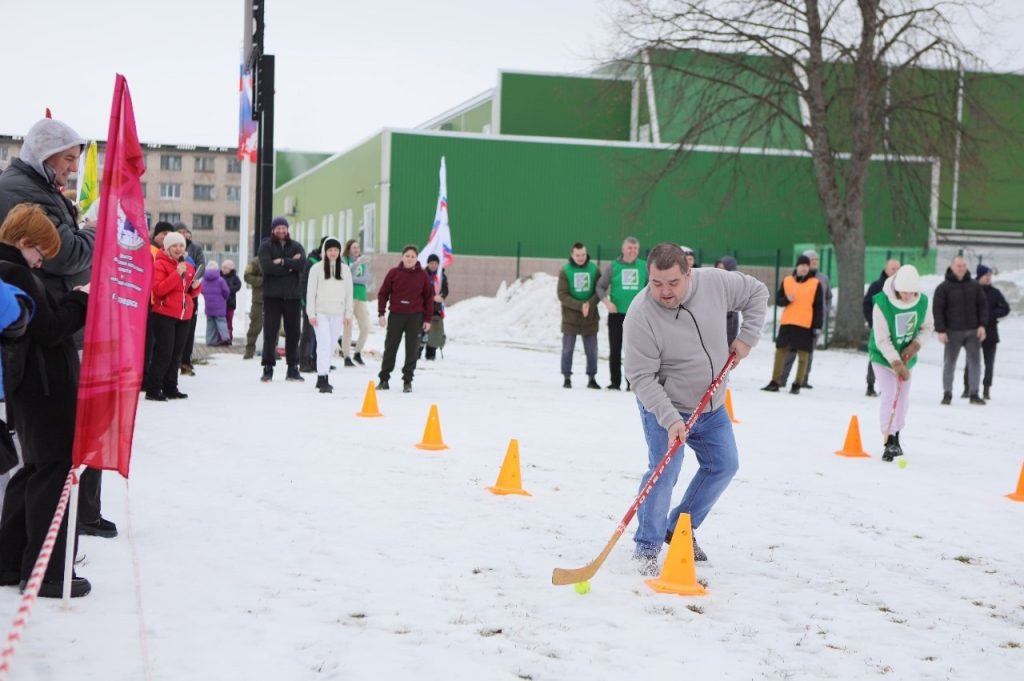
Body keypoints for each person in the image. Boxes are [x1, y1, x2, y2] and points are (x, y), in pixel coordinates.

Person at [0, 119, 114, 540]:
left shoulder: (39, 190)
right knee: (48, 459)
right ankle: (42, 559)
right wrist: (94, 234)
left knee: (44, 457)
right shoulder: (21, 195)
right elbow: (68, 256)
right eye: (68, 159)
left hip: (47, 339)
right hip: (41, 350)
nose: (72, 169)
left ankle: (22, 554)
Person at [624, 242, 768, 573]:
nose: (664, 291)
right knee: (665, 471)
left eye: (673, 282)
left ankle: (680, 527)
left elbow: (757, 293)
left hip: (711, 404)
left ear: (688, 273)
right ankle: (647, 547)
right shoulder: (640, 315)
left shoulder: (714, 283)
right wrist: (671, 419)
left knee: (724, 465)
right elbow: (641, 377)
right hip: (666, 405)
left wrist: (746, 338)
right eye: (656, 283)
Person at [0, 203, 92, 597]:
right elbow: (50, 330)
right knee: (53, 471)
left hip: (29, 387)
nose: (41, 262)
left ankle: (9, 561)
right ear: (24, 241)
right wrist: (80, 300)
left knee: (34, 469)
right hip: (45, 389)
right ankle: (47, 573)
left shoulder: (9, 271)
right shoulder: (16, 274)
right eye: (41, 253)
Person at [868, 265, 933, 462]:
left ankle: (897, 434)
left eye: (911, 292)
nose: (907, 296)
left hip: (907, 357)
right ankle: (888, 438)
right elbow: (882, 339)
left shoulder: (922, 302)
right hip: (883, 357)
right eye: (904, 292)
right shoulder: (882, 304)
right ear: (897, 288)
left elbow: (927, 328)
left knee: (903, 399)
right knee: (889, 395)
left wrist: (914, 346)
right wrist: (896, 363)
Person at [144, 232, 201, 401]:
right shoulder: (159, 264)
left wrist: (196, 287)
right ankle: (153, 389)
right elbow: (159, 290)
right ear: (167, 248)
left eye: (181, 245)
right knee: (164, 353)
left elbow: (189, 293)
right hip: (164, 315)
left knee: (176, 354)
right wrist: (176, 274)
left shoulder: (188, 266)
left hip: (184, 316)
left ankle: (171, 387)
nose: (178, 248)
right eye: (174, 245)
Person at [762, 254, 823, 394]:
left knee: (803, 357)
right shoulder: (787, 281)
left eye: (806, 266)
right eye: (802, 265)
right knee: (780, 352)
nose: (804, 268)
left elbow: (819, 307)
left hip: (805, 325)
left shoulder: (815, 283)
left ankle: (797, 384)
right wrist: (787, 299)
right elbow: (779, 300)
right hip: (788, 323)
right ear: (797, 266)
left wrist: (817, 326)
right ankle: (775, 382)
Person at [376, 245, 433, 393]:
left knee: (412, 349)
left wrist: (427, 319)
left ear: (417, 258)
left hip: (415, 317)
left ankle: (407, 380)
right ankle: (384, 379)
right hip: (396, 315)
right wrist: (381, 313)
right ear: (402, 257)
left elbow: (429, 298)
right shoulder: (394, 273)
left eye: (413, 256)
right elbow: (383, 294)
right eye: (407, 256)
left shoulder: (423, 276)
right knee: (390, 347)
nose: (409, 259)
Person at [933, 255, 987, 405]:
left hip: (973, 331)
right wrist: (941, 330)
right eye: (958, 265)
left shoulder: (975, 286)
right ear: (952, 267)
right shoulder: (943, 287)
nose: (961, 268)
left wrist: (982, 325)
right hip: (952, 331)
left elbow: (983, 306)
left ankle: (974, 393)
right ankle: (947, 393)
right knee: (949, 362)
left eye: (963, 265)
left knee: (975, 362)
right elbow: (938, 310)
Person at [257, 217, 306, 383]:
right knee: (270, 333)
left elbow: (302, 264)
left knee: (294, 333)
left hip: (293, 296)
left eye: (283, 228)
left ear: (287, 229)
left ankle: (293, 368)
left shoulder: (296, 246)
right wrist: (290, 267)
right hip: (272, 296)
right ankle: (268, 368)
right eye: (277, 228)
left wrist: (283, 261)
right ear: (273, 230)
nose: (281, 231)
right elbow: (267, 268)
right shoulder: (265, 246)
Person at [597, 236, 646, 390]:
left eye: (635, 248)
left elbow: (650, 288)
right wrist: (607, 303)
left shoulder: (644, 266)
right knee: (615, 349)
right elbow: (600, 287)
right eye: (630, 248)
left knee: (633, 351)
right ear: (623, 249)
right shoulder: (613, 266)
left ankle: (632, 383)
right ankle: (615, 382)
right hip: (617, 315)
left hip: (636, 316)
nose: (633, 251)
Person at [306, 237, 353, 393]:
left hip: (338, 313)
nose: (333, 253)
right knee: (324, 345)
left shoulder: (345, 269)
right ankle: (322, 378)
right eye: (330, 250)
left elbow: (349, 293)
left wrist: (348, 313)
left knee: (331, 346)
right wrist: (311, 313)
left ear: (339, 251)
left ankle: (323, 376)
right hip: (321, 313)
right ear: (325, 251)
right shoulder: (316, 269)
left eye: (336, 250)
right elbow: (310, 292)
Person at [779, 249, 831, 388]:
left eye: (816, 260)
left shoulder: (823, 278)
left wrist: (825, 311)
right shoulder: (796, 278)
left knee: (808, 352)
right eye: (811, 260)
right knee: (790, 351)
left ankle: (803, 380)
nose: (814, 262)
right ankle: (782, 378)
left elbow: (828, 297)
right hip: (797, 321)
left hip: (814, 322)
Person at [962, 264, 1009, 400]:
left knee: (989, 363)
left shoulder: (995, 292)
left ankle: (986, 389)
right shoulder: (971, 290)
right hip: (973, 332)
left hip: (991, 333)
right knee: (971, 361)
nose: (988, 278)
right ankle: (967, 388)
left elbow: (1005, 308)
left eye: (990, 275)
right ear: (979, 276)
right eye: (986, 275)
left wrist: (991, 314)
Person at [557, 242, 600, 389]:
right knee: (567, 349)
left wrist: (589, 304)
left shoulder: (594, 269)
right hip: (570, 318)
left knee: (592, 350)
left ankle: (592, 378)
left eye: (583, 255)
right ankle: (567, 377)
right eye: (578, 255)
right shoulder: (565, 270)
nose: (581, 258)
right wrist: (580, 305)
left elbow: (599, 290)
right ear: (572, 255)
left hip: (590, 317)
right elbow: (562, 294)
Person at [863, 259, 901, 397]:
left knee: (895, 356)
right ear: (886, 269)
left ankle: (893, 386)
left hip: (896, 329)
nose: (895, 272)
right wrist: (873, 322)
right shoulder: (877, 286)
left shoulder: (903, 288)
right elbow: (867, 304)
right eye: (893, 269)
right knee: (876, 355)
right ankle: (871, 384)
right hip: (878, 328)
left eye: (898, 269)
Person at [175, 223, 205, 376]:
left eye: (185, 232)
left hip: (190, 294)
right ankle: (174, 361)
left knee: (189, 329)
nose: (183, 234)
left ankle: (186, 362)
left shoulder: (195, 248)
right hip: (174, 294)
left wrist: (194, 279)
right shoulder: (170, 248)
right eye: (180, 232)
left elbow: (201, 266)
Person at [341, 239, 371, 366]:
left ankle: (357, 352)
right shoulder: (344, 260)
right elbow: (346, 276)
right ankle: (346, 355)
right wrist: (356, 265)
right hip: (349, 297)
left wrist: (354, 278)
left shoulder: (363, 261)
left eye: (358, 247)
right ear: (348, 249)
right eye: (354, 247)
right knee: (348, 327)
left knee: (366, 327)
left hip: (361, 296)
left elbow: (366, 279)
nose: (356, 249)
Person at [422, 254, 448, 360]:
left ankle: (431, 355)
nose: (433, 265)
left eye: (435, 263)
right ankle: (416, 353)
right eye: (431, 263)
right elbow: (420, 290)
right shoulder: (423, 275)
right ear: (428, 263)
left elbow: (445, 290)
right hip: (423, 308)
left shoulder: (441, 276)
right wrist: (432, 297)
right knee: (421, 333)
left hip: (436, 309)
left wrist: (442, 297)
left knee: (434, 333)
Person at [201, 261, 231, 346]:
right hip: (220, 305)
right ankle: (226, 338)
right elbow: (226, 291)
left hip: (209, 306)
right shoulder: (220, 280)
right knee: (221, 321)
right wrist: (224, 298)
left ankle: (210, 341)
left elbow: (201, 290)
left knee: (210, 324)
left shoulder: (204, 280)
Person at [714, 255, 739, 346]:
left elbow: (731, 318)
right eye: (718, 267)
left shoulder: (733, 286)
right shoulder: (714, 282)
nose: (719, 270)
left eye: (722, 268)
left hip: (726, 330)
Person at [242, 257, 263, 359]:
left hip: (274, 300)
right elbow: (247, 276)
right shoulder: (256, 261)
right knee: (255, 326)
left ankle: (272, 351)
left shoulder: (277, 259)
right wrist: (262, 281)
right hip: (259, 301)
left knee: (274, 328)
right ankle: (249, 350)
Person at [220, 259, 242, 343]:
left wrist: (228, 290)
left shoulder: (235, 277)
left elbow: (238, 286)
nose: (223, 269)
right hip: (220, 304)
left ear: (231, 269)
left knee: (229, 322)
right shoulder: (219, 276)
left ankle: (228, 338)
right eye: (222, 267)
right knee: (221, 321)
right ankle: (221, 338)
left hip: (230, 304)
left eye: (225, 268)